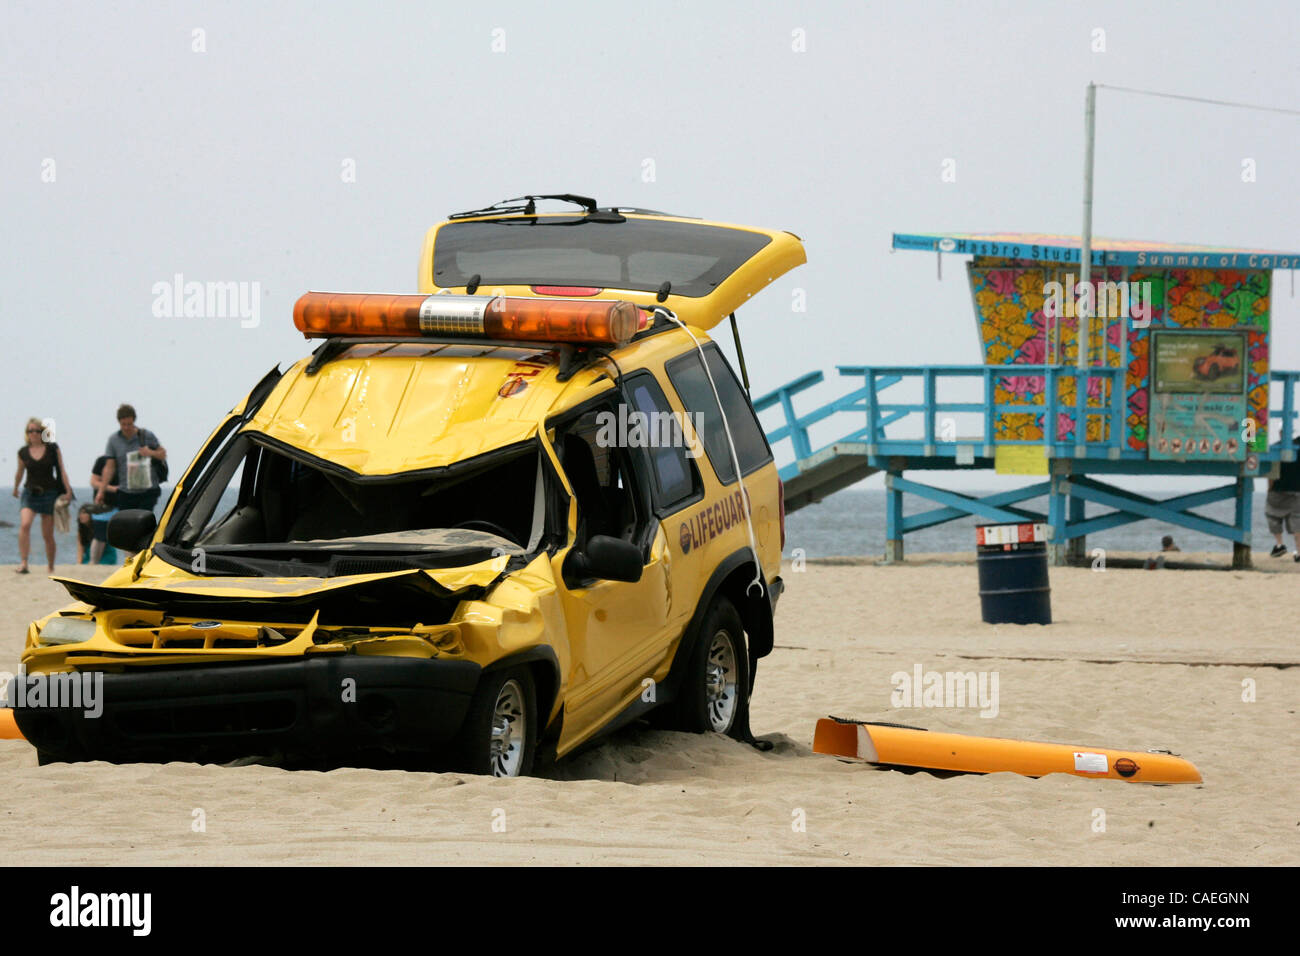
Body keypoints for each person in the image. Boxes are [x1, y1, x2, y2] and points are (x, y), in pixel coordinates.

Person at [12, 417, 73, 574]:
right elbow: (20, 472)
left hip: (49, 494)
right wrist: (15, 487)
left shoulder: (52, 449)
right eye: (30, 431)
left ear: (43, 432)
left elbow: (62, 469)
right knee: (25, 525)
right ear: (27, 433)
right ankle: (24, 563)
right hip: (30, 493)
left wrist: (68, 490)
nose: (33, 434)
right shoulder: (23, 452)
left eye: (37, 431)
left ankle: (51, 566)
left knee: (47, 534)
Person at [97, 404, 167, 514]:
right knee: (127, 525)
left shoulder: (146, 435)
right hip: (126, 492)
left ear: (134, 421)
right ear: (119, 422)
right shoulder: (113, 440)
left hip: (148, 491)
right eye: (123, 424)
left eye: (129, 424)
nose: (126, 427)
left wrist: (150, 452)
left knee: (143, 523)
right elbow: (109, 468)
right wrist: (101, 491)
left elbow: (162, 454)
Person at [1266, 438, 1300, 560]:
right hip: (1297, 490)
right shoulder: (1297, 448)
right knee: (1297, 522)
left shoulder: (1276, 448)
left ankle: (1280, 544)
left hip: (1278, 489)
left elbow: (1271, 473)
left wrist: (1269, 488)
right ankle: (1298, 551)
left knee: (1272, 515)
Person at [87, 454, 119, 563]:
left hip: (124, 503)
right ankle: (93, 563)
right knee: (99, 536)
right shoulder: (102, 460)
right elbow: (93, 482)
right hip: (104, 504)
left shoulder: (129, 460)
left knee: (127, 535)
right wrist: (113, 489)